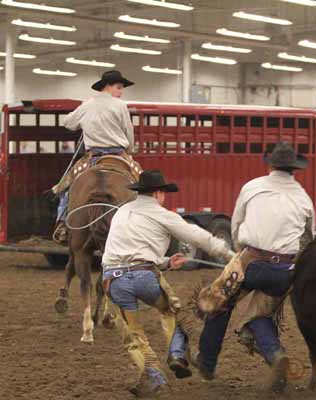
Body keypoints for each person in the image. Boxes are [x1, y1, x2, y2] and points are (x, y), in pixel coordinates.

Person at [171, 141, 316, 393]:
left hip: (250, 262)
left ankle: (207, 361)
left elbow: (236, 226)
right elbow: (309, 236)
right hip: (284, 271)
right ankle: (274, 354)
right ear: (295, 168)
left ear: (269, 163)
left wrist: (239, 251)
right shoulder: (303, 198)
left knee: (220, 304)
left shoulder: (252, 187)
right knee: (259, 315)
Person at [101, 169, 234, 397]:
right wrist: (229, 255)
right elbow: (197, 236)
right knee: (171, 311)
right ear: (158, 193)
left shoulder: (122, 212)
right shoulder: (162, 214)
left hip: (113, 280)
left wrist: (165, 262)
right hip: (144, 277)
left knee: (134, 336)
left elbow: (125, 250)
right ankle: (176, 353)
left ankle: (156, 378)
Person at [53, 70, 139, 243]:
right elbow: (129, 133)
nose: (121, 92)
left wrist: (87, 125)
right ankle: (141, 223)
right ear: (108, 86)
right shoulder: (120, 105)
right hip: (119, 154)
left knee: (67, 187)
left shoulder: (87, 104)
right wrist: (128, 150)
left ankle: (62, 223)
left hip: (93, 157)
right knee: (142, 183)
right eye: (119, 87)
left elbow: (68, 123)